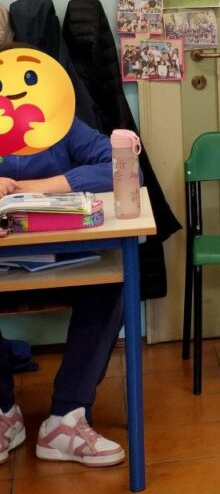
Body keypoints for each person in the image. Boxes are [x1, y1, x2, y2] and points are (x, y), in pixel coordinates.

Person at [0, 115, 127, 468]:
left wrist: (34, 187)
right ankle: (3, 412)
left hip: (63, 258)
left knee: (111, 285)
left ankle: (66, 418)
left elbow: (120, 168)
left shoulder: (59, 120)